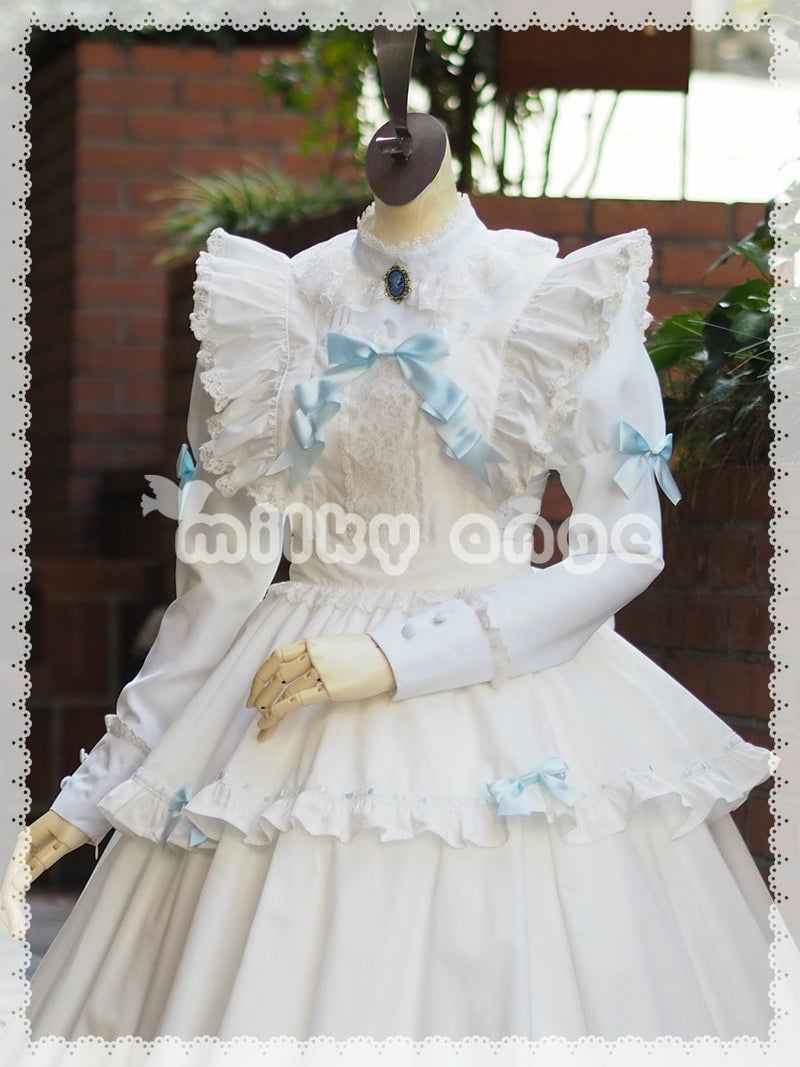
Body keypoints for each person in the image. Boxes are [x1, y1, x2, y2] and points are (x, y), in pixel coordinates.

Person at [0, 110, 785, 1044]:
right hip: (277, 714)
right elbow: (217, 584)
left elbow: (623, 546)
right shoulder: (269, 302)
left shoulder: (553, 295)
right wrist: (95, 789)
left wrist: (397, 654)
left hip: (507, 697)